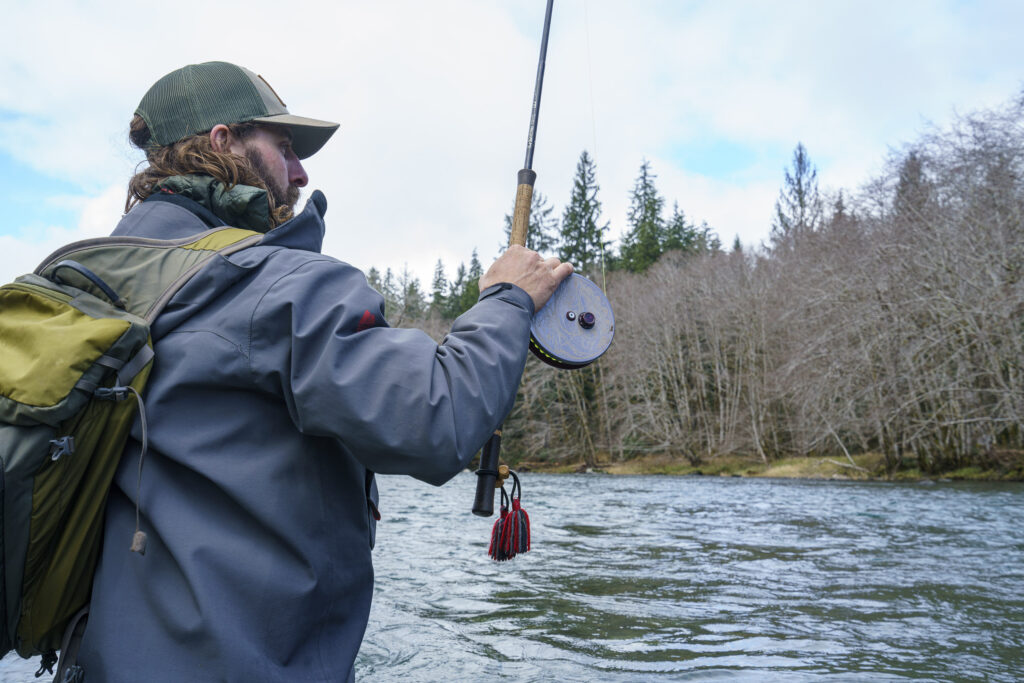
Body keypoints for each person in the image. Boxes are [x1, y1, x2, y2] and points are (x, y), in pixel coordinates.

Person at [74, 61, 572, 682]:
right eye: (283, 147)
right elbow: (439, 415)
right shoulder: (277, 286)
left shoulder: (94, 283)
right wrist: (508, 298)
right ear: (223, 142)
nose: (302, 172)